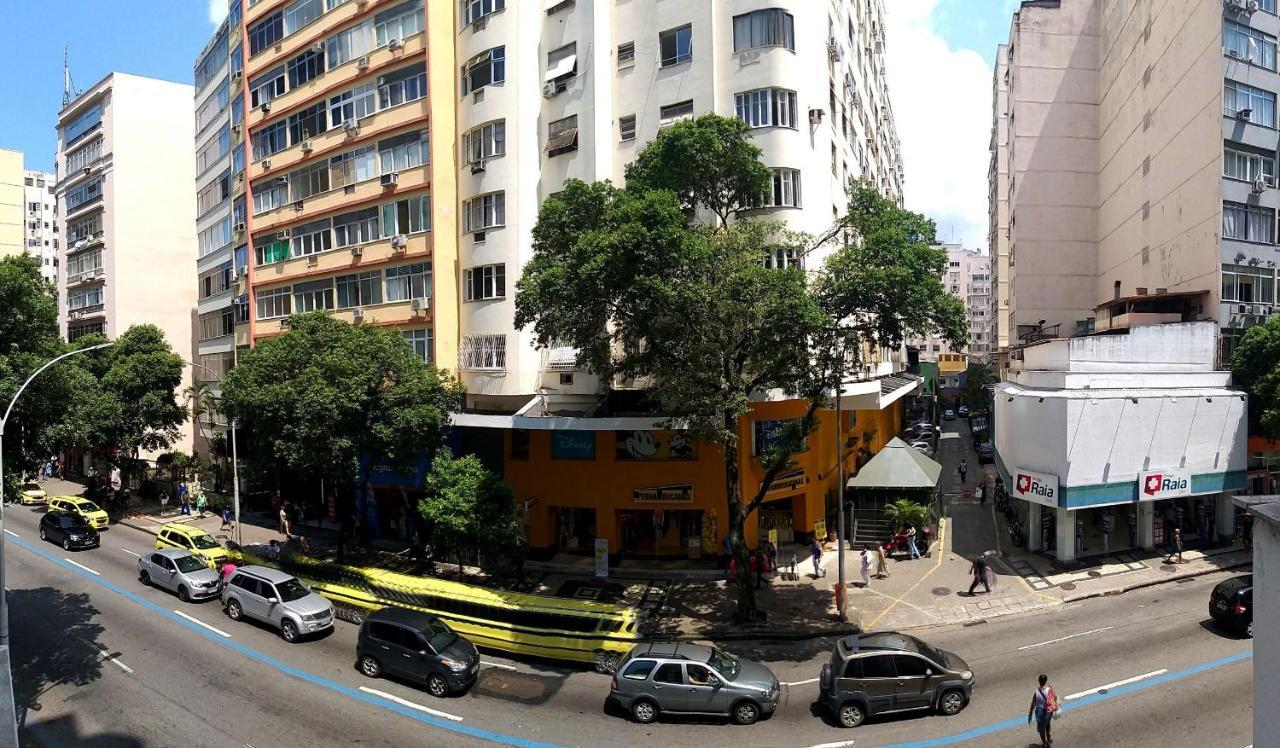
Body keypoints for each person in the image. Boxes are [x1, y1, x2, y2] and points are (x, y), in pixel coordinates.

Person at [1027, 673, 1057, 747]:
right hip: (1048, 711)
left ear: (1039, 681)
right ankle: (1048, 737)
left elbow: (1033, 702)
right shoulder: (1049, 689)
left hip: (1040, 712)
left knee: (1041, 728)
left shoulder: (1037, 691)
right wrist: (1052, 689)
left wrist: (1030, 713)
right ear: (1046, 681)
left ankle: (1044, 742)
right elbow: (1055, 698)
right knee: (1047, 723)